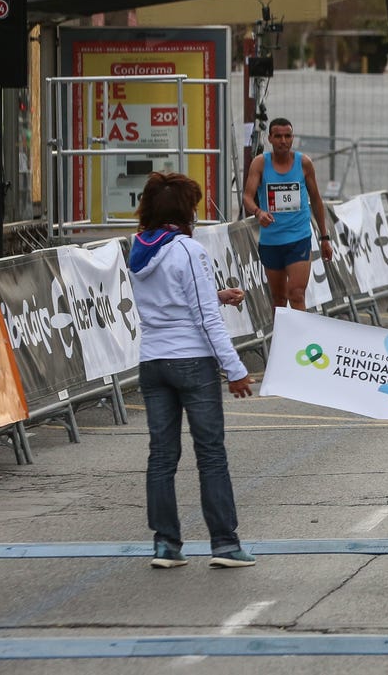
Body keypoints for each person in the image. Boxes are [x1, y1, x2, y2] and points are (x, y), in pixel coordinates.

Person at [130, 172, 256, 570]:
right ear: (185, 210)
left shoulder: (139, 249)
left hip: (152, 360)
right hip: (192, 362)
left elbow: (169, 304)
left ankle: (166, 544)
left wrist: (214, 294)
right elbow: (204, 320)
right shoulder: (187, 249)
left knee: (162, 457)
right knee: (211, 455)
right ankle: (224, 544)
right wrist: (234, 368)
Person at [243, 117, 333, 310]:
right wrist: (258, 212)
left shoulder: (304, 163)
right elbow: (247, 198)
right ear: (270, 139)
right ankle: (282, 340)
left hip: (298, 238)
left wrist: (324, 237)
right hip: (271, 241)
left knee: (297, 293)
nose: (283, 141)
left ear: (293, 138)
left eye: (287, 136)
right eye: (278, 136)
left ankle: (300, 341)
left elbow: (316, 199)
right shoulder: (260, 164)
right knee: (279, 300)